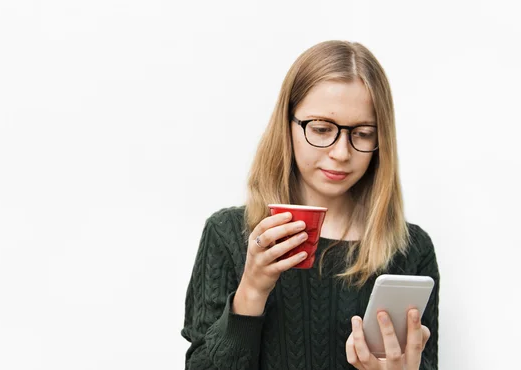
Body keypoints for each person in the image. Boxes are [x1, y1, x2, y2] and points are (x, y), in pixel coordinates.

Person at [181, 40, 439, 370]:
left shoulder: (410, 249)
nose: (342, 153)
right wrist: (251, 292)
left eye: (362, 133)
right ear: (286, 125)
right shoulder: (228, 234)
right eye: (320, 129)